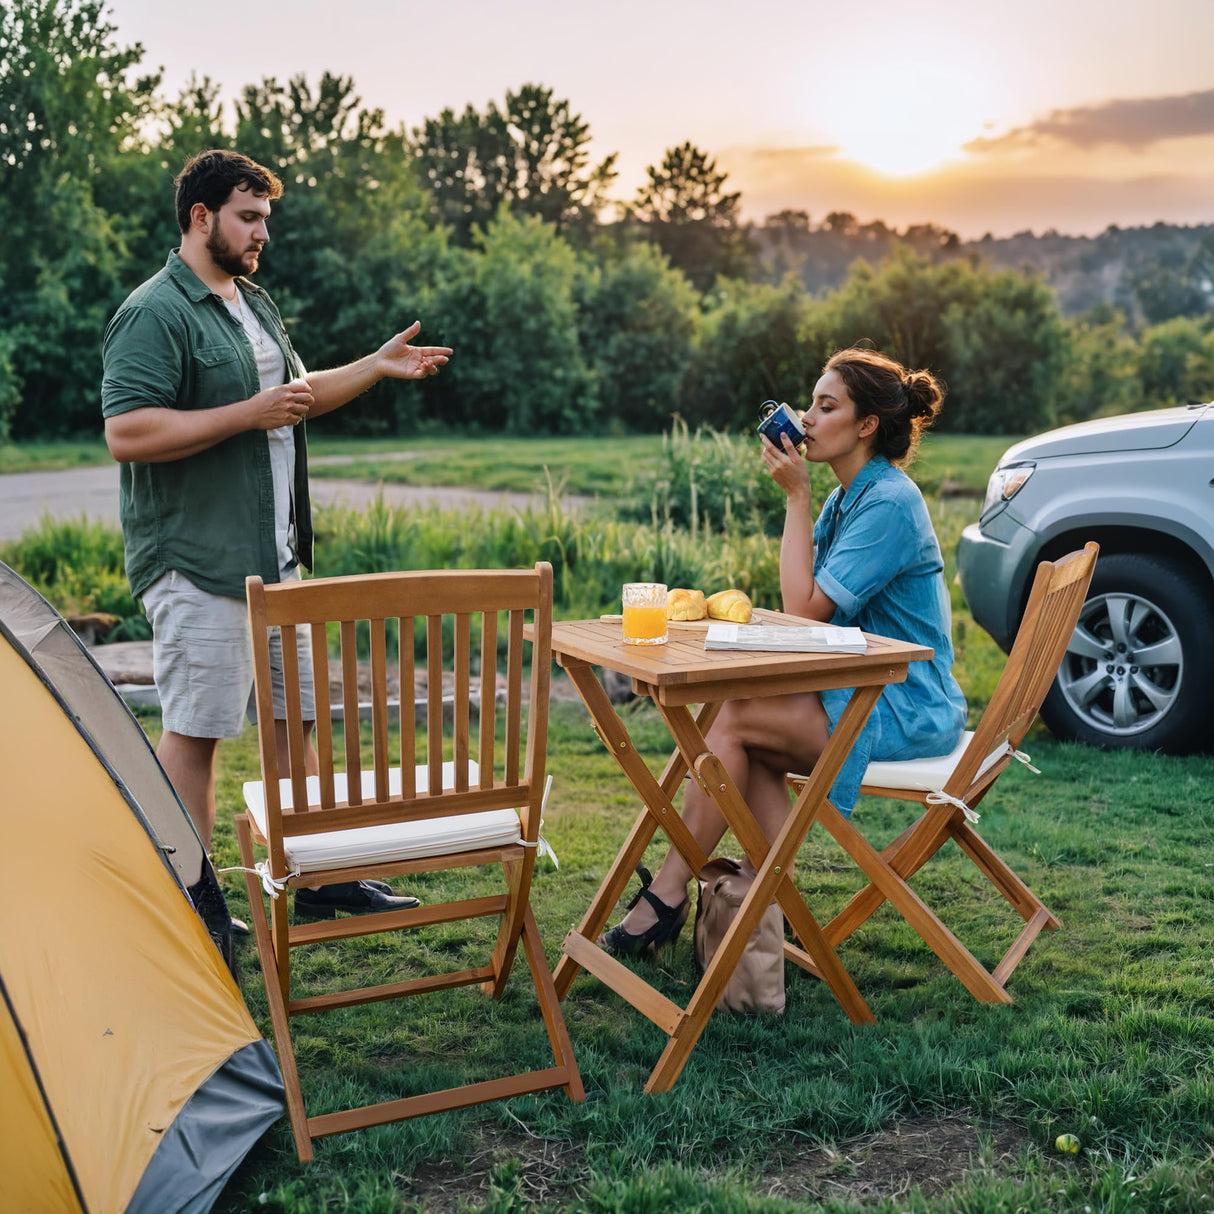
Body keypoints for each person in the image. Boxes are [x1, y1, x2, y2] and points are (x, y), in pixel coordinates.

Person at [102, 149, 453, 923]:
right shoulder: (154, 311)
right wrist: (246, 415)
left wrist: (375, 365)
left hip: (274, 562)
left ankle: (319, 881)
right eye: (249, 217)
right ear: (202, 218)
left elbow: (291, 397)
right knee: (195, 733)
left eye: (266, 218)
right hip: (198, 564)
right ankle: (190, 901)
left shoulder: (251, 301)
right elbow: (127, 432)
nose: (263, 233)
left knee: (299, 723)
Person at [600, 346, 967, 954]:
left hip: (903, 704)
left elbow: (803, 609)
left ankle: (666, 898)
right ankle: (775, 900)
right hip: (863, 690)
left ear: (867, 425)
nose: (807, 419)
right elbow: (806, 609)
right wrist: (806, 500)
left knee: (733, 718)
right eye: (811, 404)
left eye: (826, 407)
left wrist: (795, 497)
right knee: (738, 723)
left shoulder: (889, 503)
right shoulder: (847, 498)